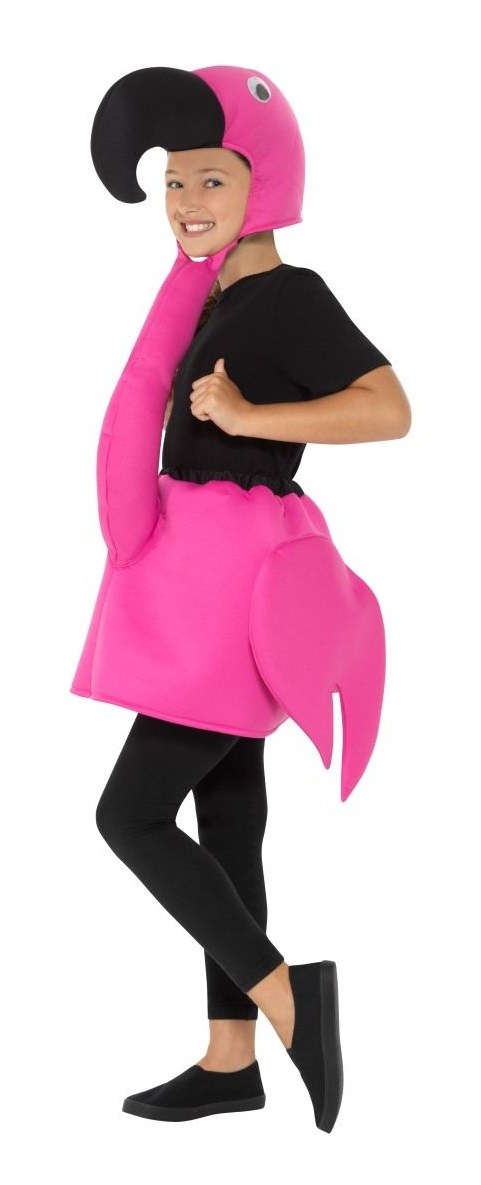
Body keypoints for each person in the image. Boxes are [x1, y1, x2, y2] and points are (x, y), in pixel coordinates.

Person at [70, 66, 411, 1130]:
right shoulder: (214, 298)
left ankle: (287, 997)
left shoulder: (290, 296)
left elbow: (388, 408)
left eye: (208, 179)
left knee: (129, 813)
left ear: (264, 181)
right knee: (228, 817)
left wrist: (251, 417)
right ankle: (231, 1061)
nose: (184, 202)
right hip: (199, 578)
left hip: (230, 587)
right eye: (173, 182)